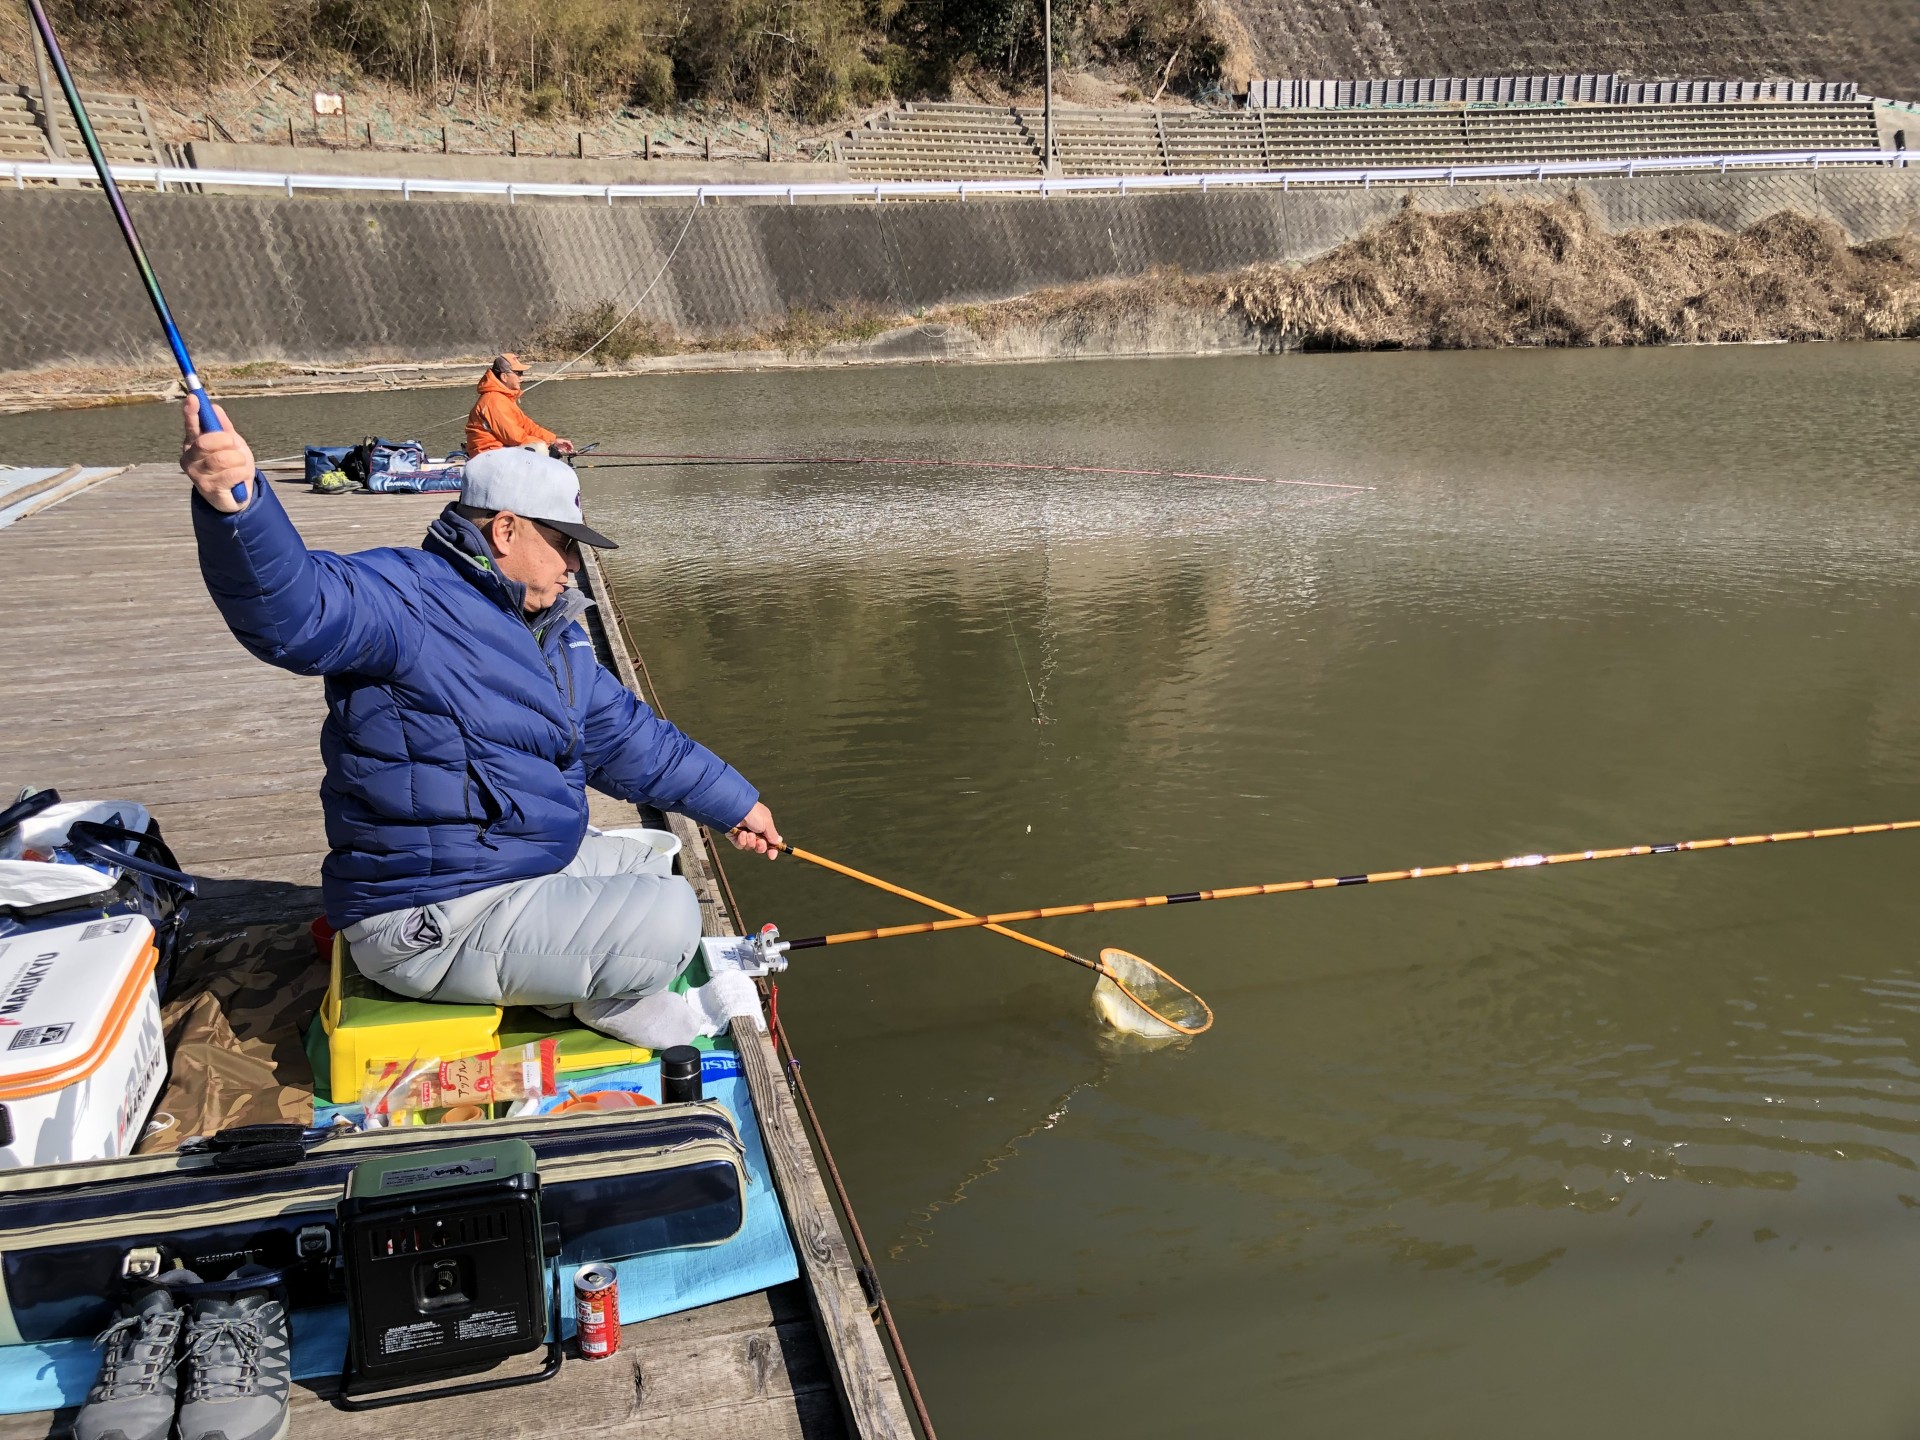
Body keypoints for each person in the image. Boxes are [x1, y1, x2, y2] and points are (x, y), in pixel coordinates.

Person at [181, 404, 781, 1048]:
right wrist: (238, 510)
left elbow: (630, 738)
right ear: (504, 530)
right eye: (565, 543)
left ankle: (563, 977)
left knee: (650, 858)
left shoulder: (552, 631)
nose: (573, 565)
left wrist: (738, 804)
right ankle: (596, 1000)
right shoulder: (404, 598)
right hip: (424, 915)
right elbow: (294, 613)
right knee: (671, 920)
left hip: (500, 871)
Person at [465, 352, 574, 458]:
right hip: (487, 455)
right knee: (540, 448)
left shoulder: (504, 398)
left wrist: (552, 440)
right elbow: (514, 437)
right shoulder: (494, 401)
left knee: (540, 449)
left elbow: (527, 426)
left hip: (501, 452)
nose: (521, 377)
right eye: (518, 373)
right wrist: (547, 446)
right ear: (504, 377)